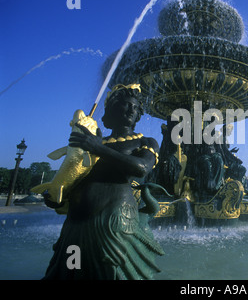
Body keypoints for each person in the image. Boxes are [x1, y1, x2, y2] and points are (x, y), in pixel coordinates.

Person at [43, 84, 164, 279]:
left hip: (113, 222)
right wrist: (57, 195)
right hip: (76, 222)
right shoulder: (92, 140)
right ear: (112, 109)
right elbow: (75, 175)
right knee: (67, 273)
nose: (131, 110)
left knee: (111, 272)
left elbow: (140, 168)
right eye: (125, 105)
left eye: (135, 107)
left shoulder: (146, 142)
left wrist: (99, 149)